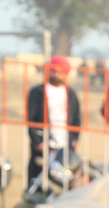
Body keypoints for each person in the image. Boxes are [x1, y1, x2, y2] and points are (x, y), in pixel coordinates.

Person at [26, 56, 81, 190]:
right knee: (37, 176)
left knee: (64, 178)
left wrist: (74, 139)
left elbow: (76, 119)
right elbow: (31, 119)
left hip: (65, 144)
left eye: (60, 72)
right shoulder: (38, 92)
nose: (56, 75)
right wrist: (37, 141)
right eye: (53, 71)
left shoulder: (71, 94)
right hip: (44, 142)